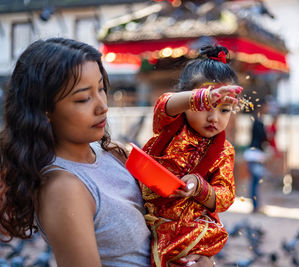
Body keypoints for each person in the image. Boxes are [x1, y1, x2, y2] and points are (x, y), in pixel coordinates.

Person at [0, 37, 213, 267]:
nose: (102, 105)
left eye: (101, 88)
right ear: (44, 110)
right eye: (83, 98)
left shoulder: (114, 153)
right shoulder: (63, 188)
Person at [141, 45, 242, 266]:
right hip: (153, 217)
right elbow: (164, 104)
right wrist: (203, 97)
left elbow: (225, 195)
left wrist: (199, 186)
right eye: (206, 106)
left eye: (224, 110)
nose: (214, 118)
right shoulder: (171, 124)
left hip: (194, 228)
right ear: (188, 101)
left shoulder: (224, 150)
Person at [243, 100, 270, 213]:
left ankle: (256, 204)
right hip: (255, 155)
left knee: (255, 182)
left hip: (254, 154)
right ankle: (255, 205)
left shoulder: (256, 122)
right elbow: (264, 139)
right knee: (255, 182)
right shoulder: (258, 123)